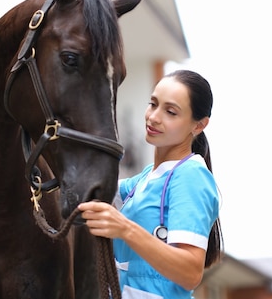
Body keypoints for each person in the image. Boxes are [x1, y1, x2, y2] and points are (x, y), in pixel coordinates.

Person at [78, 69, 222, 299]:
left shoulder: (191, 176)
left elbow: (190, 273)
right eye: (153, 104)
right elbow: (93, 186)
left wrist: (125, 228)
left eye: (171, 112)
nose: (154, 117)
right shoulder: (145, 179)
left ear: (198, 125)